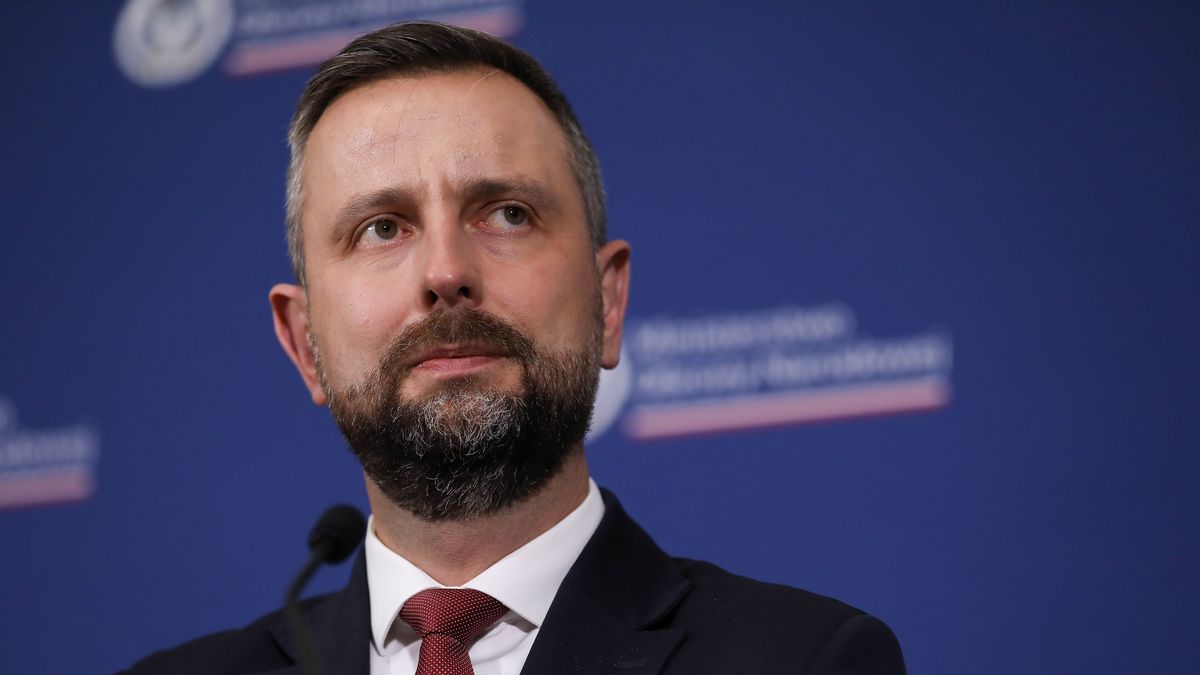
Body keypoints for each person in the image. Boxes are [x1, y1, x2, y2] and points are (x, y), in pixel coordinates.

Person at [125, 21, 906, 675]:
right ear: (304, 343)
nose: (445, 272)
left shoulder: (805, 659)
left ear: (608, 301)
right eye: (382, 228)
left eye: (505, 214)